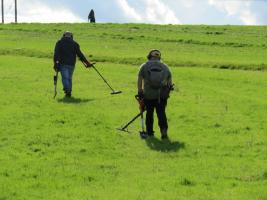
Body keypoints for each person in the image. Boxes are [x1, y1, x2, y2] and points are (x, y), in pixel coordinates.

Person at [137, 50, 173, 139]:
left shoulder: (144, 66)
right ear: (159, 57)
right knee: (161, 113)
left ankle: (150, 133)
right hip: (161, 96)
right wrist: (167, 92)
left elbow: (140, 79)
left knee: (149, 113)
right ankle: (164, 132)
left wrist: (140, 91)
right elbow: (170, 82)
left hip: (148, 95)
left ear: (149, 56)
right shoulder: (165, 67)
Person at [53, 31, 92, 98]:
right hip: (72, 64)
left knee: (65, 78)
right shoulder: (75, 44)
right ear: (71, 36)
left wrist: (56, 63)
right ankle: (69, 92)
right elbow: (80, 55)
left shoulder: (59, 42)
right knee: (69, 78)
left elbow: (56, 54)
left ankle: (67, 90)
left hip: (63, 63)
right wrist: (87, 62)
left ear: (63, 35)